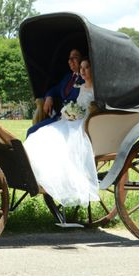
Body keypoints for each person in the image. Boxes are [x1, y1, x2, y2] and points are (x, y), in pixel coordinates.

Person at [23, 58, 99, 207]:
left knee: (54, 137)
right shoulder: (80, 85)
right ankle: (33, 172)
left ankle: (53, 177)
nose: (82, 70)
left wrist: (75, 114)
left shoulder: (96, 89)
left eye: (86, 67)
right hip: (69, 118)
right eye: (81, 67)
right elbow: (60, 91)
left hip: (83, 122)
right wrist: (67, 111)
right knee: (39, 134)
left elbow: (92, 108)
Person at [26, 48, 83, 137]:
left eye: (74, 57)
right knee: (31, 131)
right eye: (69, 58)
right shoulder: (67, 78)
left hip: (75, 122)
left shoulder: (86, 79)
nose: (70, 61)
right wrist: (49, 97)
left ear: (82, 60)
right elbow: (54, 89)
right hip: (60, 117)